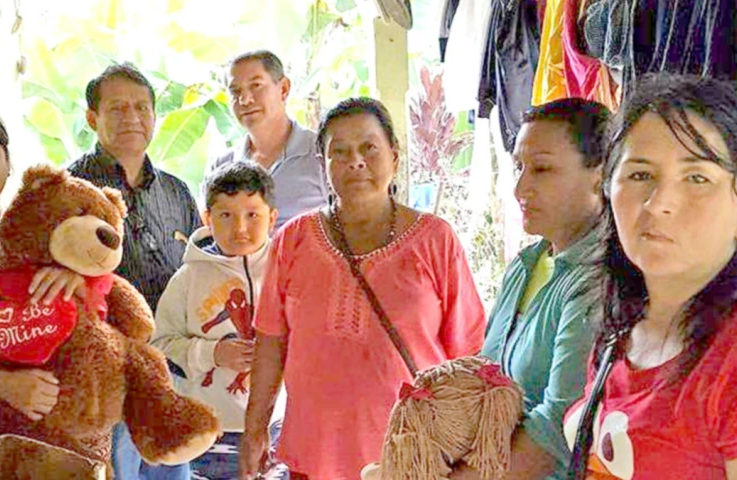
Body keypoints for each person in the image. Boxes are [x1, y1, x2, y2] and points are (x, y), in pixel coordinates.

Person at [239, 97, 487, 480]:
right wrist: (255, 429)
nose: (355, 161)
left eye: (369, 147)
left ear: (394, 155)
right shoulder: (293, 240)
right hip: (314, 454)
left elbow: (467, 352)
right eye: (339, 152)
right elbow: (271, 342)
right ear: (324, 168)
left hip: (414, 455)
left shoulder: (435, 239)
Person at [563, 75, 737, 479]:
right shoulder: (622, 328)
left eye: (697, 178)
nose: (659, 202)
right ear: (607, 190)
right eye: (640, 175)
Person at [451, 98, 611, 480]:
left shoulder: (598, 278)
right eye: (519, 166)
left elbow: (558, 427)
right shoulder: (526, 265)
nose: (521, 186)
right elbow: (484, 377)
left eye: (542, 169)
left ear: (600, 175)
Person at [67, 63, 199, 480]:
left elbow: (199, 271)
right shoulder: (69, 188)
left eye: (142, 107)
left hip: (169, 374)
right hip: (103, 382)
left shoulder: (176, 191)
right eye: (118, 108)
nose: (132, 118)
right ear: (92, 118)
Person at [0, 102, 85, 444]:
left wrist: (79, 279)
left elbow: (97, 306)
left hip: (67, 426)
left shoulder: (42, 231)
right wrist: (1, 384)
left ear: (8, 163)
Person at [151, 161, 285, 479]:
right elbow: (160, 346)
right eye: (226, 215)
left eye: (252, 215)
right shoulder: (187, 278)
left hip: (275, 429)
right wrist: (212, 354)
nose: (240, 228)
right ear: (207, 219)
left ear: (273, 218)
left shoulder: (286, 273)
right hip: (207, 433)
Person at [207, 50, 328, 229]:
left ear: (284, 89)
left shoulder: (322, 153)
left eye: (256, 86)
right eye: (235, 91)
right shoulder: (222, 166)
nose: (245, 100)